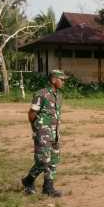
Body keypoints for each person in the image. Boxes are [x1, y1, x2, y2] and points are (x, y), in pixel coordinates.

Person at [21, 69, 67, 197]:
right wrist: (36, 129)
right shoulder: (41, 94)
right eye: (61, 79)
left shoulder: (59, 95)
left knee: (53, 160)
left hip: (55, 133)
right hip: (43, 133)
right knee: (42, 160)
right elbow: (31, 113)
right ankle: (28, 181)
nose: (63, 82)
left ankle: (48, 188)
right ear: (53, 80)